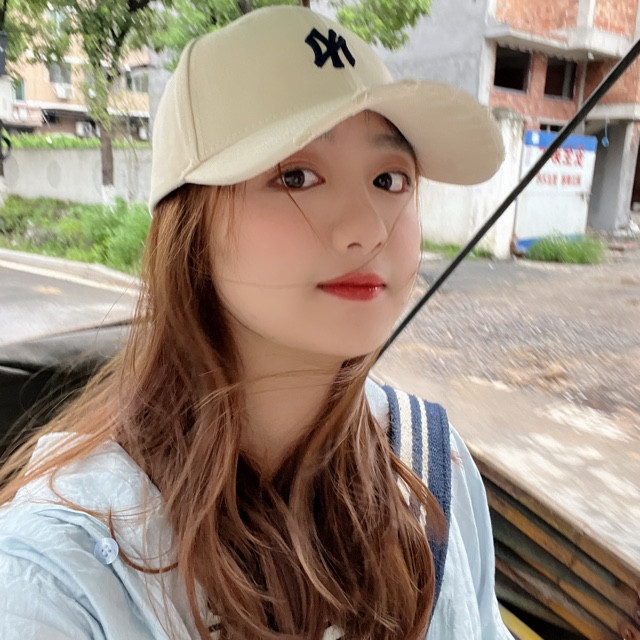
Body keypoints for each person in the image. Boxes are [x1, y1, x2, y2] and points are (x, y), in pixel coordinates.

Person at [0, 6, 510, 640]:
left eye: (390, 179)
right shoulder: (59, 579)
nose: (368, 229)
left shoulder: (434, 467)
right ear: (190, 227)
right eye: (296, 176)